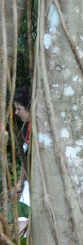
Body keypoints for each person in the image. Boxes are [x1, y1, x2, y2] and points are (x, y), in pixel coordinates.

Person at [13, 87, 30, 232]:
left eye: (19, 108)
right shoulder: (26, 127)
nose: (16, 113)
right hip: (30, 182)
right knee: (21, 219)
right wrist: (20, 182)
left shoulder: (41, 127)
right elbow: (25, 160)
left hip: (43, 181)